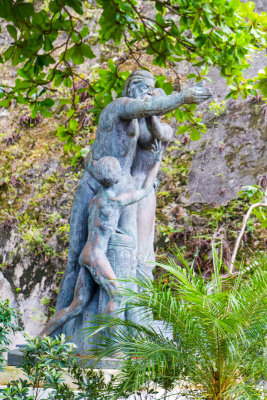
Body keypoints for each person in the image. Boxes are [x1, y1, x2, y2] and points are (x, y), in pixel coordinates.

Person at [54, 70, 212, 341]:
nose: (151, 93)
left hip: (131, 191)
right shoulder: (120, 107)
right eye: (146, 88)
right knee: (76, 257)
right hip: (101, 186)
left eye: (154, 90)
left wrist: (154, 109)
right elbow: (144, 109)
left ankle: (127, 326)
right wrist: (182, 97)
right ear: (133, 88)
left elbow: (158, 132)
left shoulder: (146, 125)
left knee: (134, 254)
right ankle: (67, 333)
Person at [41, 141, 163, 337]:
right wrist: (156, 161)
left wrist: (90, 156)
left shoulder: (94, 199)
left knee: (76, 306)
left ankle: (39, 339)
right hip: (97, 255)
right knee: (119, 294)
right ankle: (113, 347)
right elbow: (145, 190)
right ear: (116, 178)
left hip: (88, 253)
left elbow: (92, 169)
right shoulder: (114, 202)